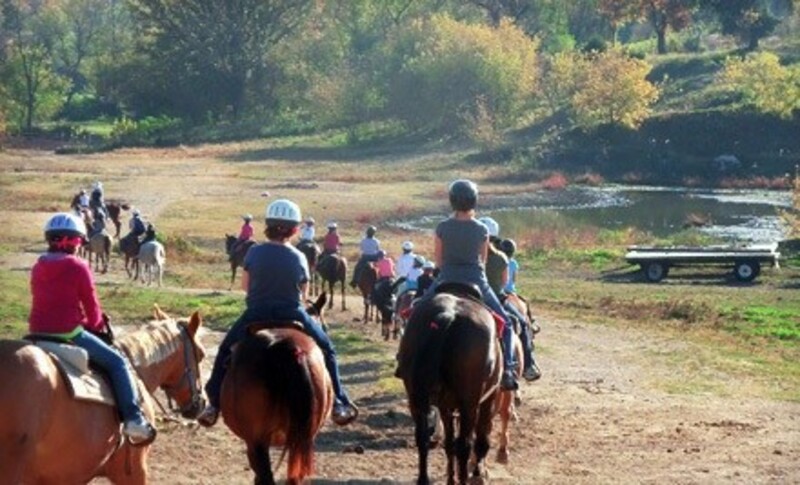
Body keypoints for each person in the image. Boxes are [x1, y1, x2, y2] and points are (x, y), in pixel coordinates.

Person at [197, 199, 358, 427]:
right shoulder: (300, 257)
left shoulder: (254, 252)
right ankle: (339, 402)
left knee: (225, 350)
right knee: (328, 350)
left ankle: (213, 404)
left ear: (268, 226)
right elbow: (303, 296)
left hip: (256, 313)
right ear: (294, 229)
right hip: (292, 313)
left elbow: (245, 286)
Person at [28, 212, 155, 444]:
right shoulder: (78, 266)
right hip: (68, 333)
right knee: (117, 363)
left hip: (35, 332)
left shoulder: (38, 266)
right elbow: (91, 305)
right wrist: (96, 325)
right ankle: (134, 420)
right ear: (75, 242)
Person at [425, 179, 519, 391]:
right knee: (506, 324)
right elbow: (483, 262)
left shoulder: (442, 227)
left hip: (445, 279)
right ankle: (508, 370)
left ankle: (405, 361)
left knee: (414, 312)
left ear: (452, 201)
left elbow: (438, 262)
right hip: (476, 282)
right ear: (474, 201)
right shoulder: (482, 229)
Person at [499, 238, 541, 382]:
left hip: (493, 291)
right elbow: (511, 281)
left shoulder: (492, 257)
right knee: (523, 317)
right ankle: (529, 364)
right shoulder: (513, 263)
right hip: (507, 292)